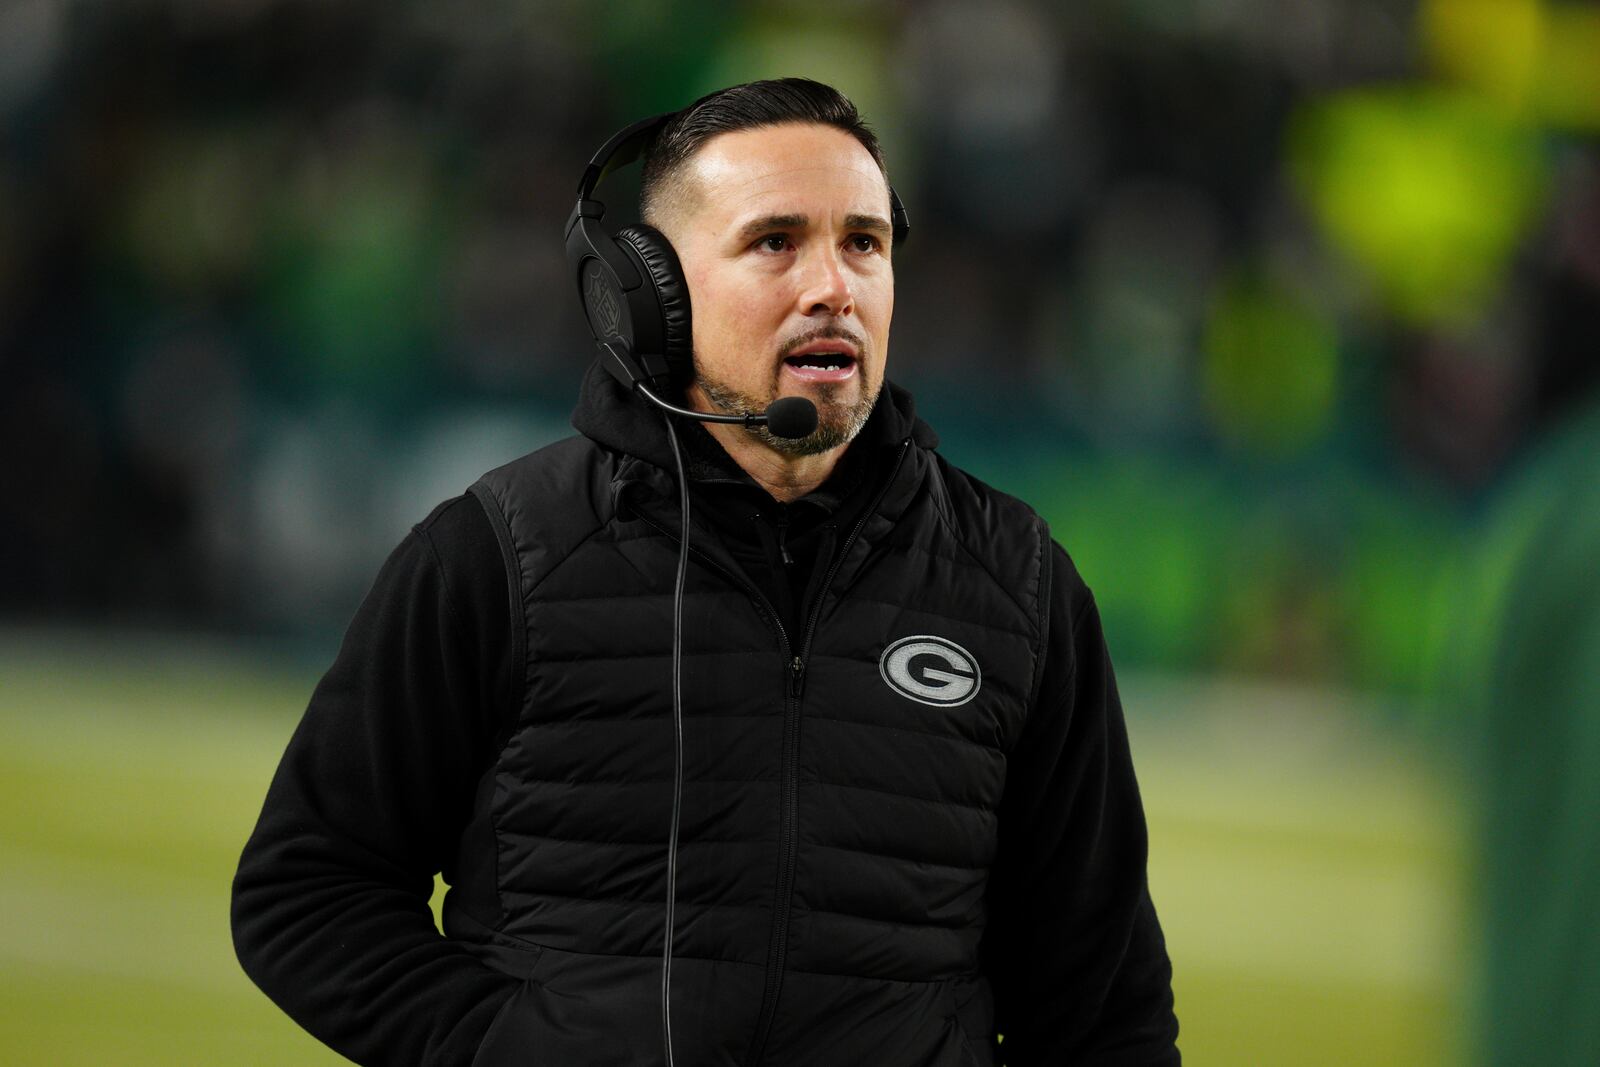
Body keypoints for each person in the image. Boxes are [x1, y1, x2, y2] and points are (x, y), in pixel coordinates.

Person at [232, 78, 1179, 1066]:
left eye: (863, 242)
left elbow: (1103, 1004)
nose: (833, 287)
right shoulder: (494, 553)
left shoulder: (1017, 582)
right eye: (776, 241)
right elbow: (307, 889)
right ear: (651, 293)